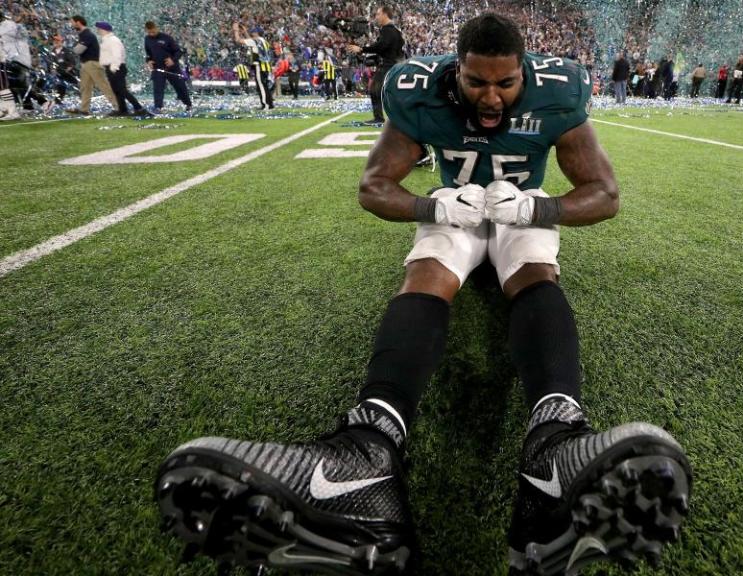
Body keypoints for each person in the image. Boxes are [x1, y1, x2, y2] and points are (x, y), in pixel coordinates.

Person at [155, 13, 693, 576]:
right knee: (428, 272)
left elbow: (605, 194)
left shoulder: (557, 92)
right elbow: (373, 185)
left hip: (519, 209)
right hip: (455, 210)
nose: (491, 97)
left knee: (535, 270)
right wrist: (430, 205)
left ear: (525, 73)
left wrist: (542, 206)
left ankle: (555, 443)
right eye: (476, 82)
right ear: (454, 68)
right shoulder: (418, 91)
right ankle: (369, 447)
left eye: (505, 84)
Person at [347, 5, 404, 125]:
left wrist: (362, 49)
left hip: (388, 66)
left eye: (378, 14)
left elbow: (381, 46)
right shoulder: (397, 32)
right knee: (391, 93)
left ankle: (378, 117)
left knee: (374, 89)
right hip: (396, 66)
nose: (376, 17)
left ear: (384, 14)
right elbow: (391, 49)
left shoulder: (387, 30)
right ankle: (399, 117)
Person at [0, 8, 51, 116]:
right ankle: (28, 106)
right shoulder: (9, 25)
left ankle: (45, 102)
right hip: (16, 59)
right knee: (18, 85)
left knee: (20, 85)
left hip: (17, 60)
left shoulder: (7, 25)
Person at [66, 15, 118, 115]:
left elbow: (78, 50)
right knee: (85, 87)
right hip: (86, 64)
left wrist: (74, 47)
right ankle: (84, 109)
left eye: (72, 22)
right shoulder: (83, 34)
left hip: (92, 64)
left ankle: (118, 106)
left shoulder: (87, 35)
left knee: (103, 86)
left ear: (78, 22)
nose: (71, 25)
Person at [95, 22, 146, 117]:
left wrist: (113, 68)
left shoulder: (113, 40)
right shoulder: (107, 40)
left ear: (104, 29)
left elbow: (117, 55)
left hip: (116, 67)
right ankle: (122, 109)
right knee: (116, 90)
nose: (97, 30)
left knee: (122, 90)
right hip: (111, 67)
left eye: (99, 28)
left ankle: (138, 108)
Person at [144, 21, 192, 112]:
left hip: (172, 68)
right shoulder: (147, 39)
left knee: (180, 87)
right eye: (149, 32)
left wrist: (172, 60)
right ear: (146, 30)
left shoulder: (167, 38)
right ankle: (158, 107)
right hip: (157, 68)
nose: (151, 34)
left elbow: (178, 51)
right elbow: (148, 54)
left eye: (153, 32)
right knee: (158, 89)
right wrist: (148, 61)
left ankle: (188, 104)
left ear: (156, 28)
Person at [232, 22, 273, 110]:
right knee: (265, 86)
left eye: (253, 32)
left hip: (259, 66)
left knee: (261, 86)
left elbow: (238, 40)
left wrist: (235, 30)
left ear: (256, 33)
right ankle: (270, 104)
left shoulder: (255, 41)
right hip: (266, 66)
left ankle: (265, 105)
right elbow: (252, 41)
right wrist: (245, 32)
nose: (252, 33)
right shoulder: (264, 41)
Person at [49, 34, 78, 104]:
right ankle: (58, 101)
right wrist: (52, 69)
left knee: (74, 86)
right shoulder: (52, 52)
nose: (55, 42)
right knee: (59, 87)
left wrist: (68, 69)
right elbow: (50, 63)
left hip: (68, 73)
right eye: (54, 41)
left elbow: (72, 62)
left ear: (61, 42)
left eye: (57, 41)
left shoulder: (67, 51)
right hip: (58, 74)